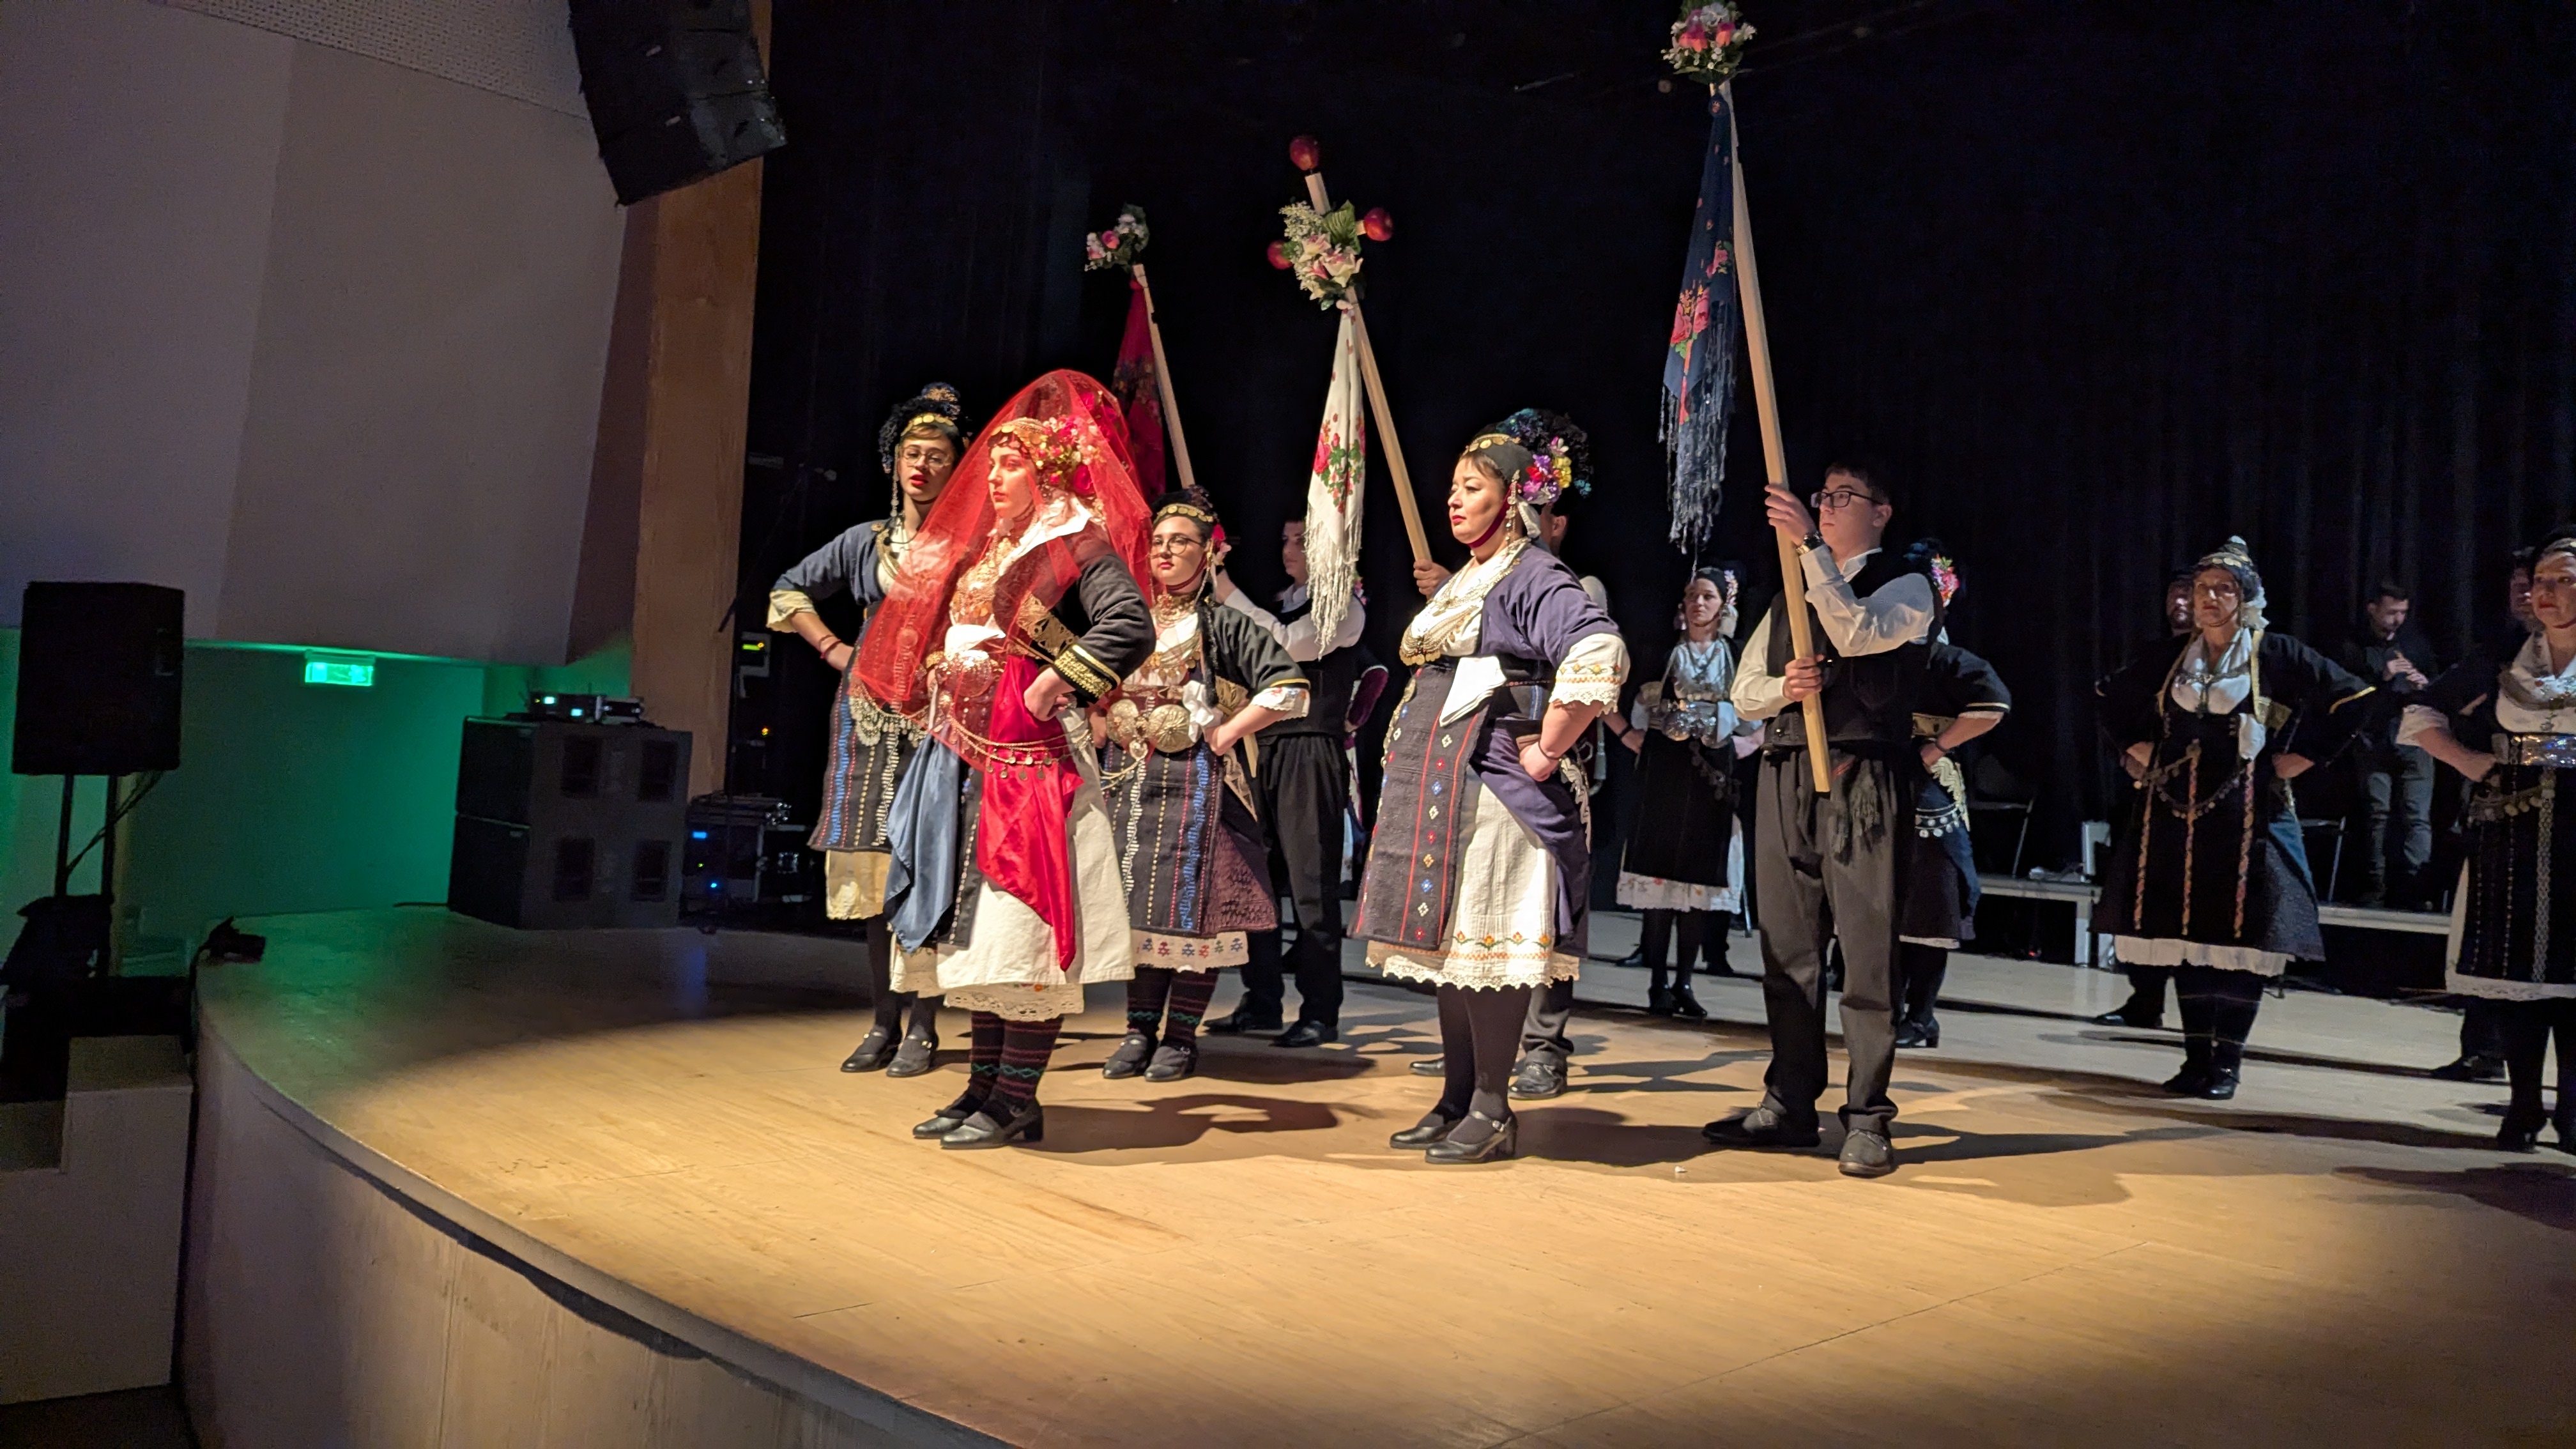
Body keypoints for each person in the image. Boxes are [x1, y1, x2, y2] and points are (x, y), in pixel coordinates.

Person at [861, 371, 1154, 1149]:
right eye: (990, 465)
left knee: (1020, 934)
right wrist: (938, 670)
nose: (992, 478)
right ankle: (983, 1088)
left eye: (1011, 465)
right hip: (964, 762)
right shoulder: (994, 546)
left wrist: (1059, 681)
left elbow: (1130, 625)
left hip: (1031, 768)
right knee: (979, 939)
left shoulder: (1075, 542)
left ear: (1047, 474)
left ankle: (1016, 1097)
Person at [1356, 421, 1626, 1163]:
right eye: (1452, 488)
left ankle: (1491, 1110)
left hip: (1495, 792)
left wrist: (1548, 746)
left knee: (1486, 946)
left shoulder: (1533, 573)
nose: (1454, 500)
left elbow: (1599, 647)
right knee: (1454, 949)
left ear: (1511, 501)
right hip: (1448, 787)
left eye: (1471, 488)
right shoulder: (1473, 576)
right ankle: (1454, 1099)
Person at [1709, 463, 1939, 1178]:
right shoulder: (1789, 592)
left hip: (1861, 777)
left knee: (1867, 956)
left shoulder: (1908, 585)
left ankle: (1867, 1116)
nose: (1828, 507)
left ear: (1882, 511)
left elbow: (1858, 631)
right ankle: (1789, 1102)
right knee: (1788, 952)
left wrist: (1811, 547)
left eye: (1844, 498)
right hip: (1784, 773)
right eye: (1822, 498)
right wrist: (1785, 686)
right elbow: (1744, 692)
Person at [2094, 537, 2375, 1101]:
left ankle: (2227, 1063)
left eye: (2223, 589)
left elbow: (2357, 697)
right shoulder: (2173, 656)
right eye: (2202, 588)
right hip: (2177, 816)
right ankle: (2196, 1057)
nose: (2208, 598)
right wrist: (2135, 748)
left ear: (2245, 599)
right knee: (2186, 937)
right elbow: (2107, 695)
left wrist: (2304, 757)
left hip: (2249, 815)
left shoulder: (2276, 653)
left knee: (2242, 938)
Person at [770, 384, 972, 1077]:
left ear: (956, 469)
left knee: (929, 868)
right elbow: (789, 588)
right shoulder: (867, 542)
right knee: (874, 873)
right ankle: (883, 1020)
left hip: (937, 717)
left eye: (937, 456)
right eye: (912, 453)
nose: (922, 466)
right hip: (867, 718)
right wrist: (833, 648)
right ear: (893, 462)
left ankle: (925, 1024)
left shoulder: (971, 549)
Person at [1094, 496, 1308, 1082]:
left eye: (1181, 541)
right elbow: (1093, 684)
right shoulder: (1130, 621)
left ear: (1210, 553)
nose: (1166, 550)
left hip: (1199, 787)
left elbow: (1290, 689)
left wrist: (1228, 732)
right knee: (1138, 910)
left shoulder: (1225, 626)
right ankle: (1138, 1031)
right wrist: (1098, 715)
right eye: (1159, 541)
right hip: (1130, 782)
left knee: (1194, 914)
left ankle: (1181, 1037)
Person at [2400, 533, 2576, 1149]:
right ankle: (2524, 1104)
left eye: (2563, 580)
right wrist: (2469, 762)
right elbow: (2421, 713)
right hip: (2513, 824)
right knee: (2517, 973)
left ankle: (2573, 1110)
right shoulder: (2506, 653)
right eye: (2540, 581)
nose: (2545, 593)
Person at [1206, 517, 1367, 1046]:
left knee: (1310, 887)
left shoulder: (1343, 608)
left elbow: (1282, 645)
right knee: (1257, 882)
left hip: (1308, 749)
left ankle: (1320, 1010)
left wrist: (1225, 586)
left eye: (1303, 539)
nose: (1289, 548)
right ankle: (1262, 1000)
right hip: (1263, 748)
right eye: (1285, 539)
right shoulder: (1282, 601)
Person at [1603, 565, 1758, 1027]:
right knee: (1661, 880)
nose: (1698, 603)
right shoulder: (1661, 653)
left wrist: (1744, 745)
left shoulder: (1736, 656)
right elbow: (1618, 698)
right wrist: (1629, 736)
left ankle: (1685, 982)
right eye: (1692, 595)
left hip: (1711, 776)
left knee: (1698, 883)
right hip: (1664, 773)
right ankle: (1657, 982)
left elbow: (1758, 715)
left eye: (1708, 596)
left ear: (1724, 605)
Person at [1889, 547, 2011, 1050]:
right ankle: (1887, 1011)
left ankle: (1920, 1016)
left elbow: (1993, 705)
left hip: (1930, 796)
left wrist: (1937, 747)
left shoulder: (1949, 660)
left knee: (1930, 906)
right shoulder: (1879, 656)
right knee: (1886, 908)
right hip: (1880, 788)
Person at [2096, 569, 2199, 1031]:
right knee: (2144, 897)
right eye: (2175, 593)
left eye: (2189, 594)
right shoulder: (2152, 656)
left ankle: (2201, 1012)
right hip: (2153, 791)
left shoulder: (2227, 658)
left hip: (2209, 797)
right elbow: (2109, 699)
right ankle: (2145, 998)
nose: (2181, 602)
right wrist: (2133, 751)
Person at [2338, 583, 2438, 908]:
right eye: (2391, 612)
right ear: (2372, 608)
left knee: (2416, 816)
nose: (2398, 619)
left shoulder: (2416, 645)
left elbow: (2441, 692)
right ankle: (2376, 889)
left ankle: (2416, 890)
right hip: (2373, 742)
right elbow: (2345, 696)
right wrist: (2381, 677)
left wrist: (2425, 685)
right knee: (2377, 815)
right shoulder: (2354, 648)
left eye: (2403, 613)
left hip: (2415, 741)